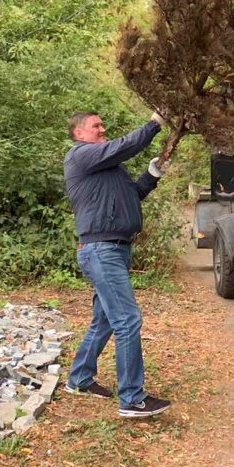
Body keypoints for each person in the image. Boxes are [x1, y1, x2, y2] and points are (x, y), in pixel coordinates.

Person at [62, 110, 171, 418]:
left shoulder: (108, 169)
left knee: (107, 319)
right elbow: (123, 146)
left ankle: (80, 379)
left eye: (102, 125)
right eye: (96, 126)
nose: (102, 129)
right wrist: (154, 124)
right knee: (127, 320)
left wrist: (152, 174)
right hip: (101, 250)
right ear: (79, 134)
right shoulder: (81, 155)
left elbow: (132, 195)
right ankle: (132, 399)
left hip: (111, 249)